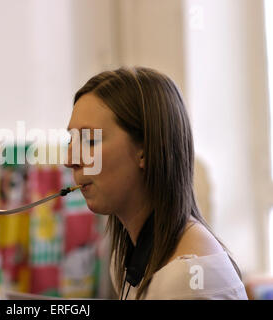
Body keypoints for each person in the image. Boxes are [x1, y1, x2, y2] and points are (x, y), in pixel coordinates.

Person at [64, 67, 248, 300]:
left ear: (146, 150)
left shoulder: (184, 278)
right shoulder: (127, 261)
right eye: (71, 139)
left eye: (90, 140)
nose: (69, 160)